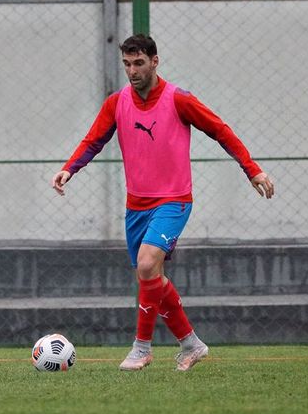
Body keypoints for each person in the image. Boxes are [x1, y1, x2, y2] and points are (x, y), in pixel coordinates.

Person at [52, 34, 274, 372]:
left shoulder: (178, 99)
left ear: (155, 62)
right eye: (127, 64)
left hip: (174, 201)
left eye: (139, 63)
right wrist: (70, 168)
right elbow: (94, 139)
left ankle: (141, 348)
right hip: (136, 207)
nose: (132, 70)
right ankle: (191, 343)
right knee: (152, 275)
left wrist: (252, 170)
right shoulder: (116, 103)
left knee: (146, 265)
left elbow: (221, 130)